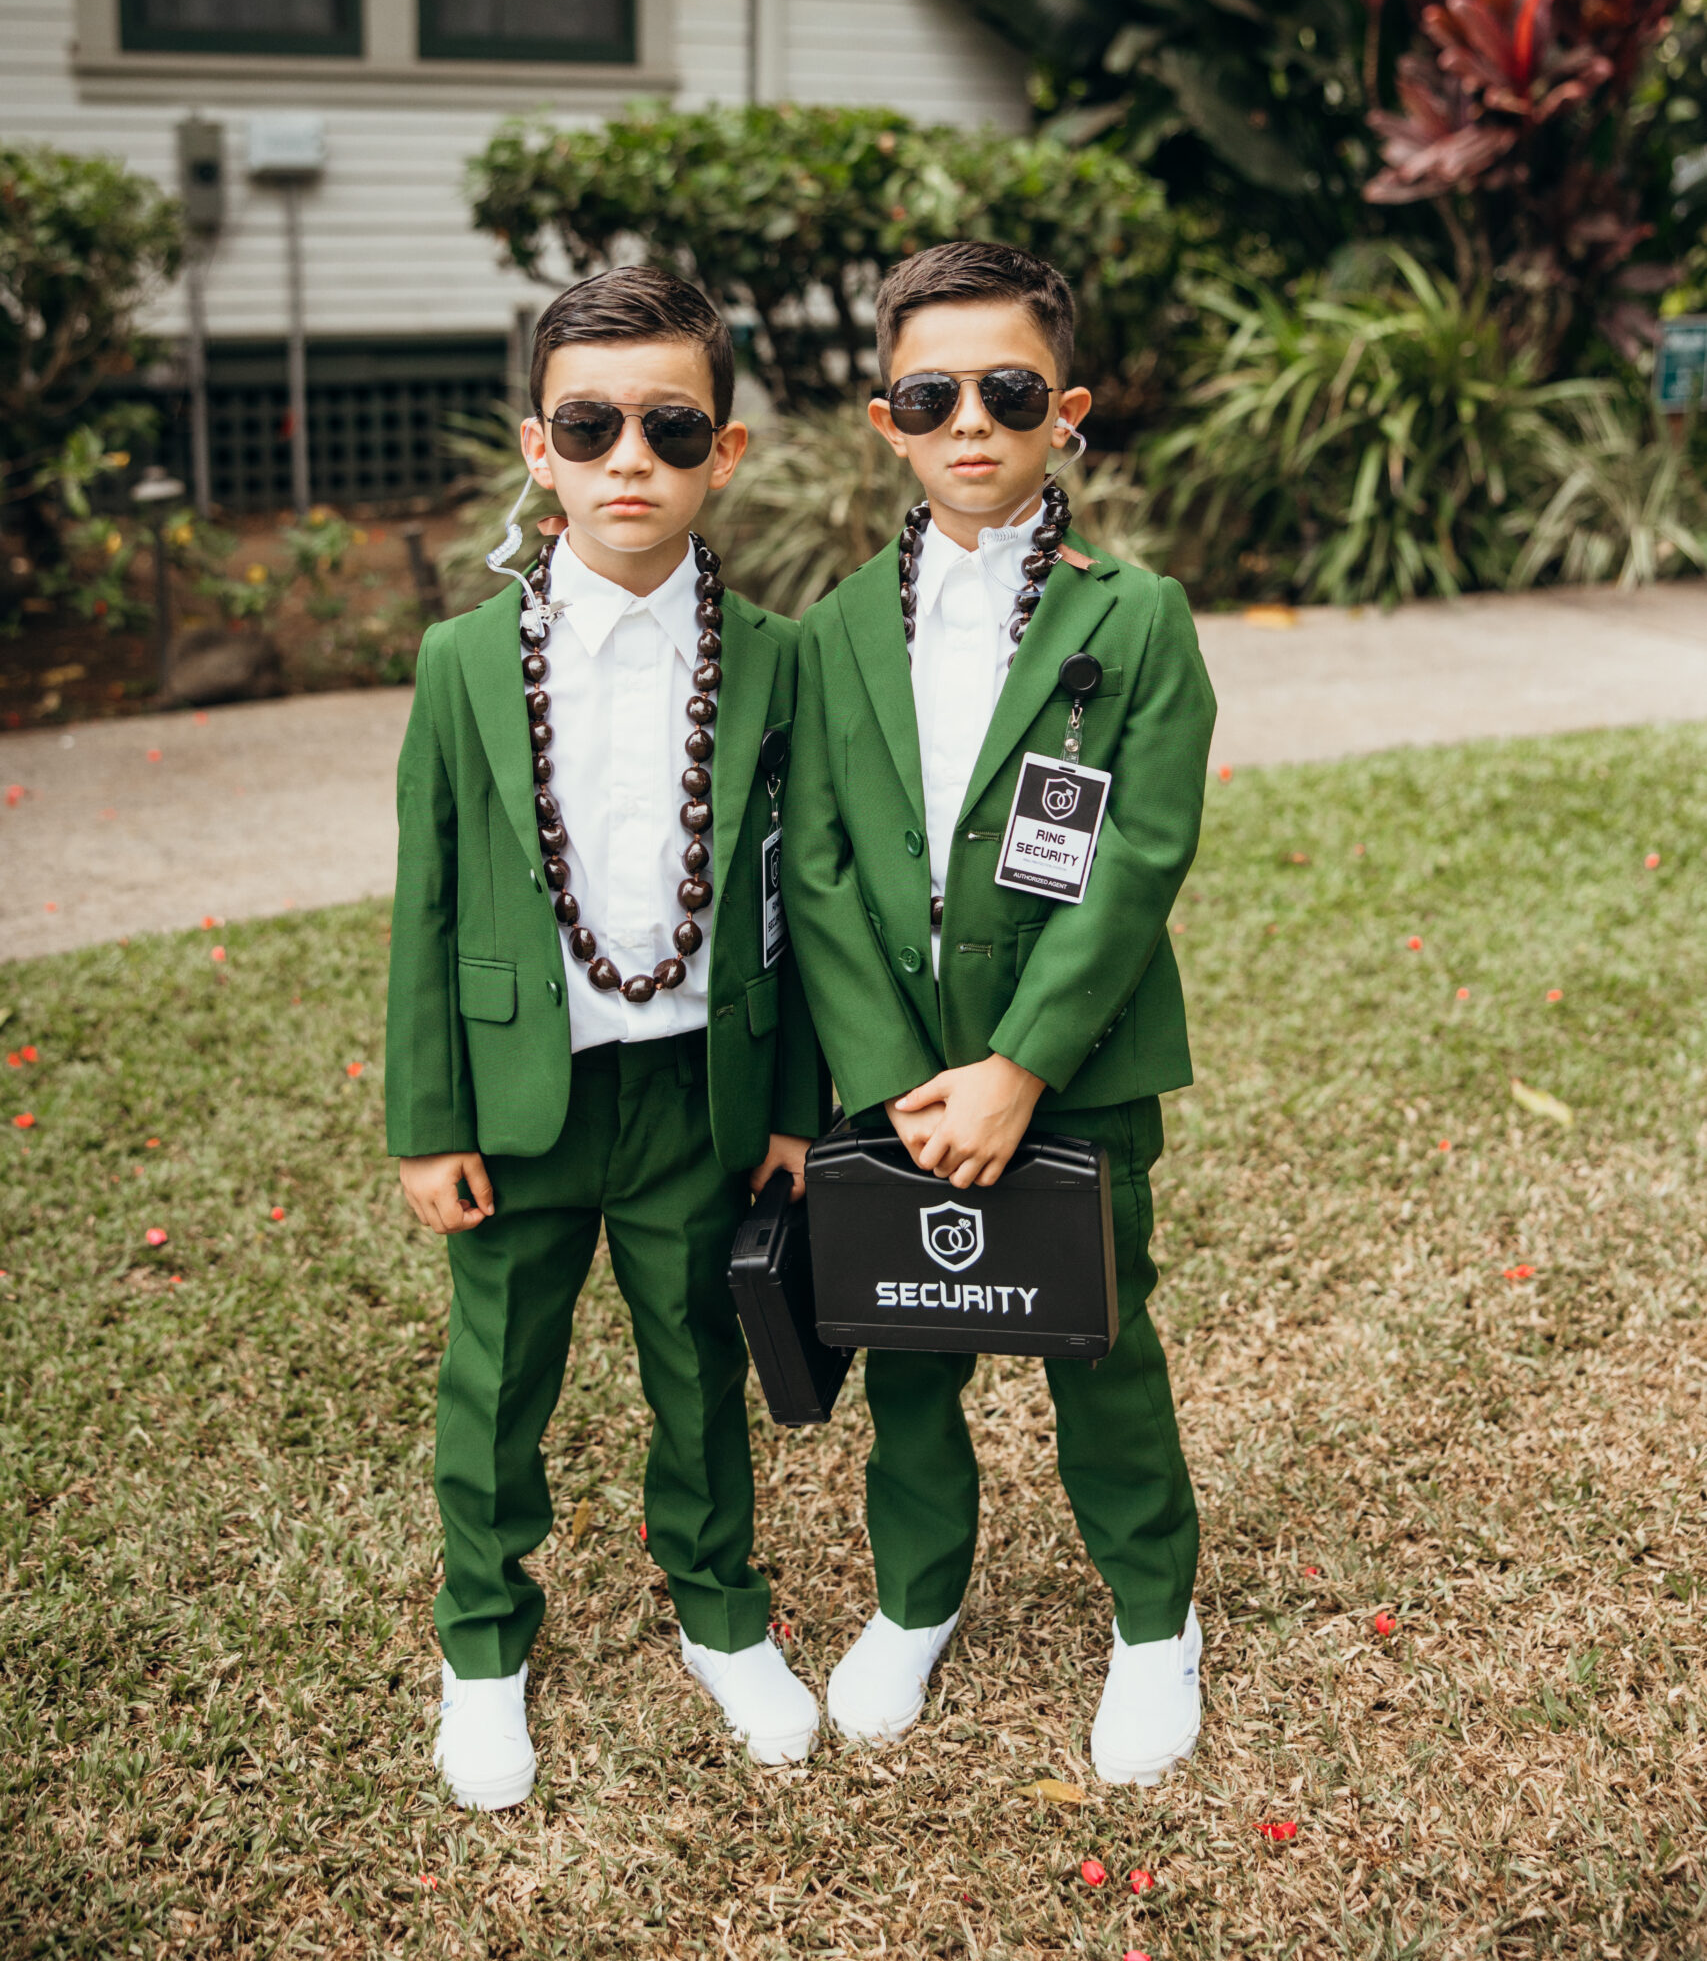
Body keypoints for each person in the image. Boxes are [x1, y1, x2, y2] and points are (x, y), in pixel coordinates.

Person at [386, 267, 826, 1808]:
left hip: (700, 1087)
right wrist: (426, 1121)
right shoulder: (461, 663)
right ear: (540, 447)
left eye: (669, 426)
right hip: (523, 1095)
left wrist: (792, 1103)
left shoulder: (779, 659)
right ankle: (483, 1643)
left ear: (726, 451)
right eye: (590, 426)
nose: (629, 457)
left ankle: (722, 1613)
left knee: (699, 1358)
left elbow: (799, 899)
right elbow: (428, 902)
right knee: (499, 1376)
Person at [780, 238, 1215, 1783]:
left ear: (1065, 413)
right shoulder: (834, 629)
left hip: (1075, 1066)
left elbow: (1136, 859)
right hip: (895, 1081)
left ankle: (1154, 1620)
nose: (971, 421)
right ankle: (916, 1598)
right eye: (932, 395)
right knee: (907, 1349)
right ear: (886, 422)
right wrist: (899, 1077)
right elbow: (818, 868)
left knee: (1103, 1343)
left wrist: (1019, 1065)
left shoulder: (1138, 618)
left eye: (1010, 392)